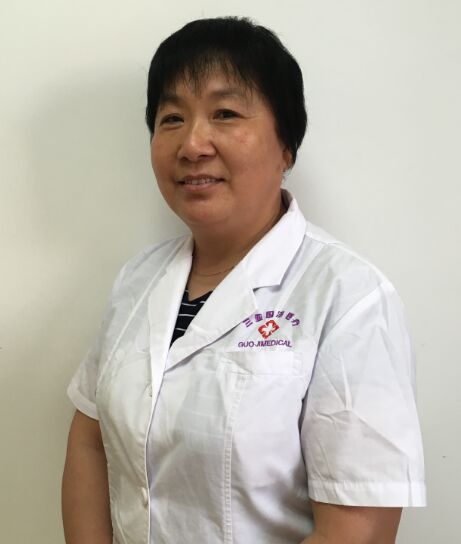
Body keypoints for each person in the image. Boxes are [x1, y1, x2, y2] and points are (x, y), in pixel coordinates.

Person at [61, 16, 426, 544]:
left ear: (286, 145)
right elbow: (91, 439)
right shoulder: (137, 279)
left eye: (225, 113)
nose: (193, 144)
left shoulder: (349, 298)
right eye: (171, 118)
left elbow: (356, 529)